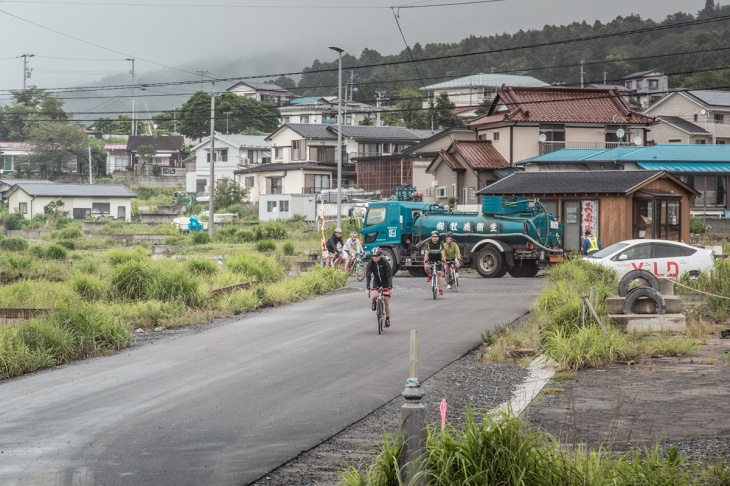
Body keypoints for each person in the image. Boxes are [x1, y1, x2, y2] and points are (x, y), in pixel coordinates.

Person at [365, 246, 393, 327]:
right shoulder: (370, 263)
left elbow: (389, 275)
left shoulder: (385, 262)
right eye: (373, 256)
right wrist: (367, 287)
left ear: (380, 255)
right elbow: (368, 275)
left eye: (377, 256)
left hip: (385, 281)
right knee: (374, 296)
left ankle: (387, 318)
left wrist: (390, 287)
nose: (375, 258)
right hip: (376, 281)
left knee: (386, 300)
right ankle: (374, 302)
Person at [423, 230, 446, 295]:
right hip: (431, 259)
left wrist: (443, 260)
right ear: (431, 237)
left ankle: (440, 289)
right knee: (426, 267)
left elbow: (443, 253)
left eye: (436, 236)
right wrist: (425, 261)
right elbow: (426, 254)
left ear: (438, 237)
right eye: (433, 236)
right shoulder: (428, 244)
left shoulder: (441, 244)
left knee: (439, 274)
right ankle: (430, 275)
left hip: (438, 260)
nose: (434, 238)